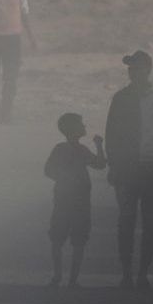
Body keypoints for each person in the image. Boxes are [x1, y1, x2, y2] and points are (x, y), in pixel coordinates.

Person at [104, 50, 153, 289]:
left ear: (148, 70)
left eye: (137, 68)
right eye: (131, 69)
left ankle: (142, 273)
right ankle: (127, 273)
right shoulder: (121, 98)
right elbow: (111, 134)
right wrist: (114, 164)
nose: (132, 72)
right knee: (127, 220)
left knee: (150, 222)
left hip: (152, 165)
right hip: (128, 166)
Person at [44, 112, 106, 288]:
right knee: (72, 239)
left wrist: (99, 146)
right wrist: (99, 146)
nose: (84, 127)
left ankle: (62, 277)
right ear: (73, 129)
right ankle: (68, 278)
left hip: (70, 200)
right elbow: (100, 164)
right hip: (74, 201)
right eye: (81, 124)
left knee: (62, 239)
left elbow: (99, 165)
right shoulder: (73, 150)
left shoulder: (71, 149)